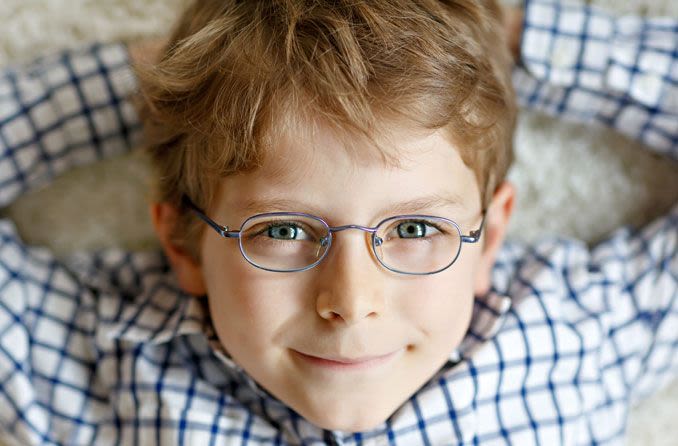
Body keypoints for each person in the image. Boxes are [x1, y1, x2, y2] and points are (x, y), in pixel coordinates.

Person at [0, 0, 676, 444]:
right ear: (184, 240)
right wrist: (162, 81)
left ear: (488, 238)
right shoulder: (100, 363)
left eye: (414, 231)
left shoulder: (573, 334)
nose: (351, 304)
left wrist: (518, 33)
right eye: (285, 231)